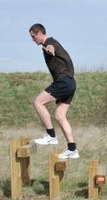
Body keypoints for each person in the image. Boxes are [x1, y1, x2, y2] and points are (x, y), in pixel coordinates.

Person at [29, 23, 79, 159]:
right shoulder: (49, 43)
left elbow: (51, 48)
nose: (32, 40)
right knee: (60, 115)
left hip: (63, 81)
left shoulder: (50, 42)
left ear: (39, 33)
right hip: (70, 83)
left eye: (33, 36)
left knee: (38, 102)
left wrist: (49, 50)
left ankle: (51, 135)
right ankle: (72, 149)